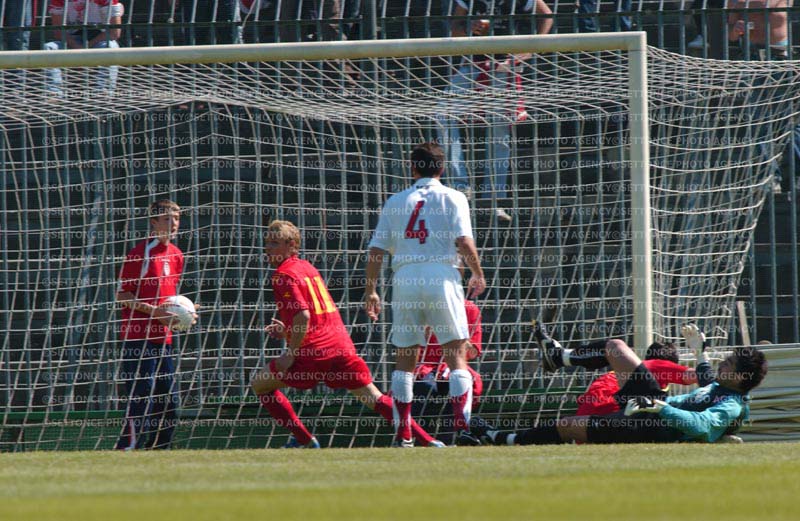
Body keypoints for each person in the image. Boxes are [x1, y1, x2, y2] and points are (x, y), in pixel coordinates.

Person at [250, 220, 445, 448]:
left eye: (275, 243)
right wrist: (287, 332)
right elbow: (315, 317)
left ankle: (304, 439)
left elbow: (303, 315)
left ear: (292, 245)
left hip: (314, 353)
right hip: (340, 346)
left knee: (260, 384)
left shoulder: (283, 274)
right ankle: (429, 441)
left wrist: (290, 353)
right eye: (267, 243)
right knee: (374, 398)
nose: (268, 248)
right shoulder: (307, 268)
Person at [364, 141, 487, 447]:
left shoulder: (396, 200)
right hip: (441, 275)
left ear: (412, 167)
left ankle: (404, 434)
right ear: (442, 168)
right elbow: (464, 241)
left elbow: (376, 250)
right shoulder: (454, 197)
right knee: (456, 354)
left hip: (405, 278)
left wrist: (371, 290)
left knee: (405, 359)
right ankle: (463, 427)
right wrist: (477, 272)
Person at [474, 326, 768, 445]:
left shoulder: (730, 404)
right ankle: (559, 356)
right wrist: (700, 351)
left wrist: (660, 407)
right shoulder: (720, 387)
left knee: (568, 426)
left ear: (741, 378)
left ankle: (499, 438)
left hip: (652, 428)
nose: (722, 364)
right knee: (616, 347)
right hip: (650, 408)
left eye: (729, 364)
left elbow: (702, 425)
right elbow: (703, 376)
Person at [438, 0, 553, 222]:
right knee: (443, 114)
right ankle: (460, 187)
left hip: (504, 67)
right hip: (471, 65)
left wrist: (530, 50)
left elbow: (547, 15)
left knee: (499, 133)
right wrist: (469, 30)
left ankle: (494, 200)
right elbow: (455, 27)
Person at [116, 199, 196, 450]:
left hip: (164, 339)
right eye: (166, 219)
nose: (173, 223)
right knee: (141, 396)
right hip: (138, 337)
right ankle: (127, 446)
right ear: (153, 222)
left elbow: (169, 299)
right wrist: (156, 313)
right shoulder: (140, 254)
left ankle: (160, 449)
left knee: (169, 400)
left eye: (177, 218)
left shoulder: (177, 255)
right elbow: (122, 295)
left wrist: (187, 312)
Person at [727, 0, 798, 195]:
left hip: (781, 58)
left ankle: (794, 175)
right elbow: (730, 35)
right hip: (753, 58)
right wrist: (736, 29)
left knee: (787, 122)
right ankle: (769, 177)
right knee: (758, 122)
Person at [568, 325, 716, 416]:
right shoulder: (658, 365)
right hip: (612, 410)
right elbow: (698, 377)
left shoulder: (630, 371)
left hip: (584, 414)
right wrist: (701, 356)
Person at [413, 297, 483, 443]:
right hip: (424, 368)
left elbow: (472, 353)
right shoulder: (421, 305)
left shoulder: (469, 308)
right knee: (423, 388)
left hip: (455, 367)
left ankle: (459, 434)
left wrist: (456, 334)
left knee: (467, 381)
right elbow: (408, 350)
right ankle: (415, 438)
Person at [45, 0, 125, 95]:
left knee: (110, 47)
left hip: (100, 39)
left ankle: (104, 93)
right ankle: (54, 93)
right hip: (73, 40)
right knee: (49, 48)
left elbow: (114, 33)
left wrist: (86, 47)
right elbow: (59, 32)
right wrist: (77, 47)